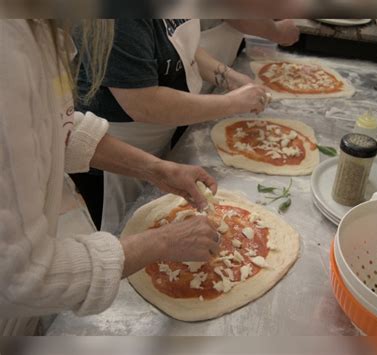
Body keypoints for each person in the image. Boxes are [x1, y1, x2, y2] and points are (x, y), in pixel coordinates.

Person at [0, 19, 219, 336]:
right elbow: (20, 278)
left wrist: (154, 168)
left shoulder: (40, 29)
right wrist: (162, 241)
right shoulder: (9, 52)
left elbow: (56, 125)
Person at [73, 19, 271, 233]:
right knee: (127, 235)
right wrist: (233, 103)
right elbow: (143, 104)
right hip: (112, 153)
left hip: (157, 136)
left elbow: (182, 49)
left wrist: (228, 77)